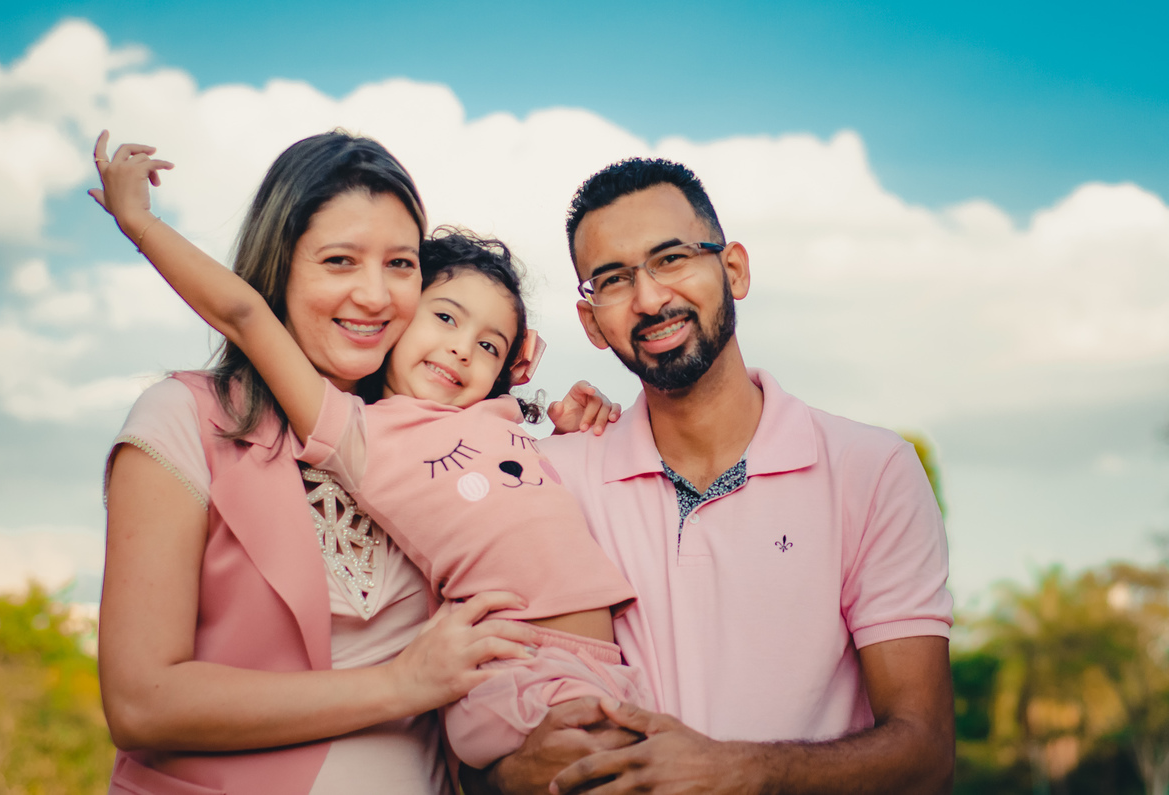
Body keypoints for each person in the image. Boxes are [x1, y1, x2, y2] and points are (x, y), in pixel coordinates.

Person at [92, 134, 653, 778]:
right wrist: (400, 684)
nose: (375, 296)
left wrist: (559, 410)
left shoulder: (468, 419)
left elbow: (517, 499)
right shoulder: (217, 422)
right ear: (282, 263)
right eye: (338, 261)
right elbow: (140, 704)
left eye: (400, 265)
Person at [479, 158, 956, 794]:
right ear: (591, 323)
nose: (650, 298)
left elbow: (925, 752)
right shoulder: (553, 479)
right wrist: (510, 771)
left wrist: (738, 771)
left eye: (672, 258)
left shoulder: (872, 471)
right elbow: (484, 756)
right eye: (614, 279)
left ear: (734, 269)